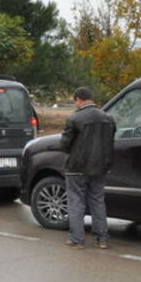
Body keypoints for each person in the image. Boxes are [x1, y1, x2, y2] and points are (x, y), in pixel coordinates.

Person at [60, 87, 117, 249]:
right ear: (91, 99)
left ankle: (77, 239)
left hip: (77, 167)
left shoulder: (74, 119)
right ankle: (102, 239)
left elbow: (65, 144)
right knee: (98, 201)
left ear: (78, 100)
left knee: (76, 202)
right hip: (100, 167)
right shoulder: (109, 119)